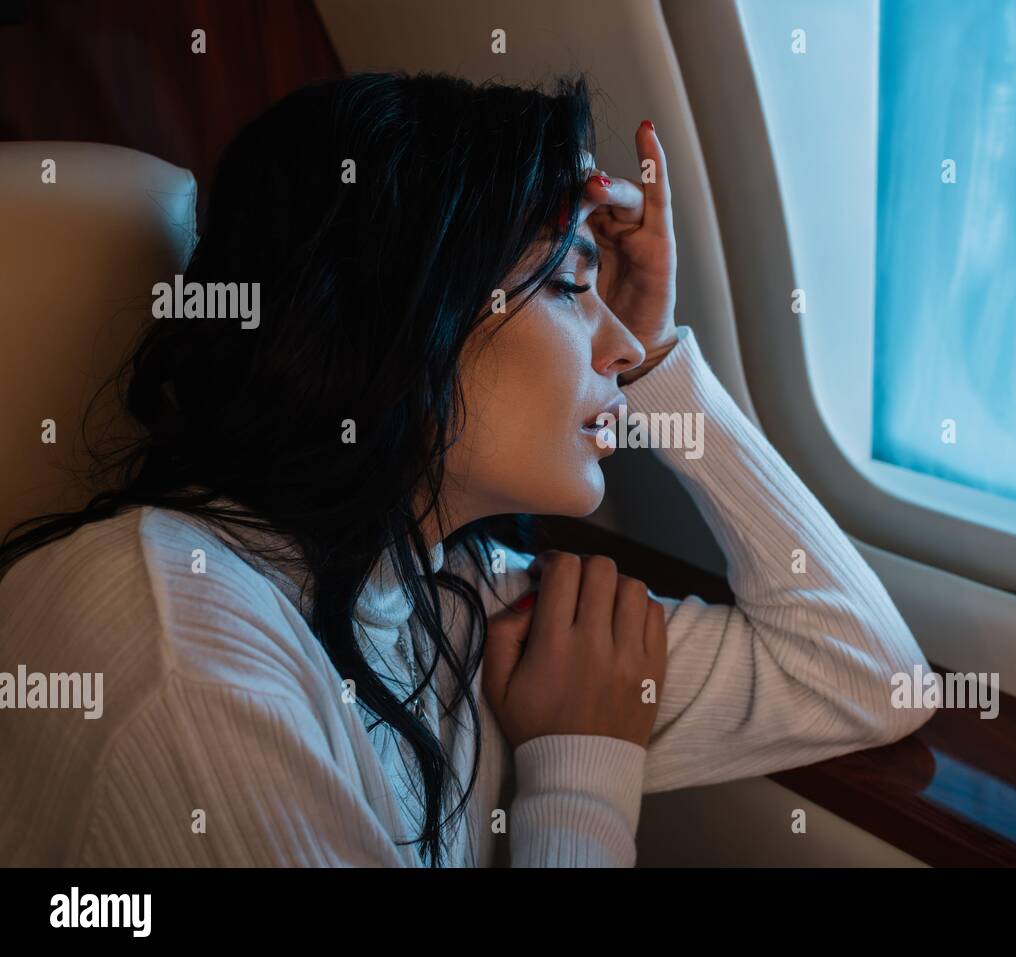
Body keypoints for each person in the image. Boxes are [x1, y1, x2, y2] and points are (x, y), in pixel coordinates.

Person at [0, 71, 933, 867]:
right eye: (572, 285)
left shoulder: (456, 600)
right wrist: (579, 771)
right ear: (405, 309)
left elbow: (865, 676)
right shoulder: (183, 651)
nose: (618, 344)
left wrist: (659, 364)